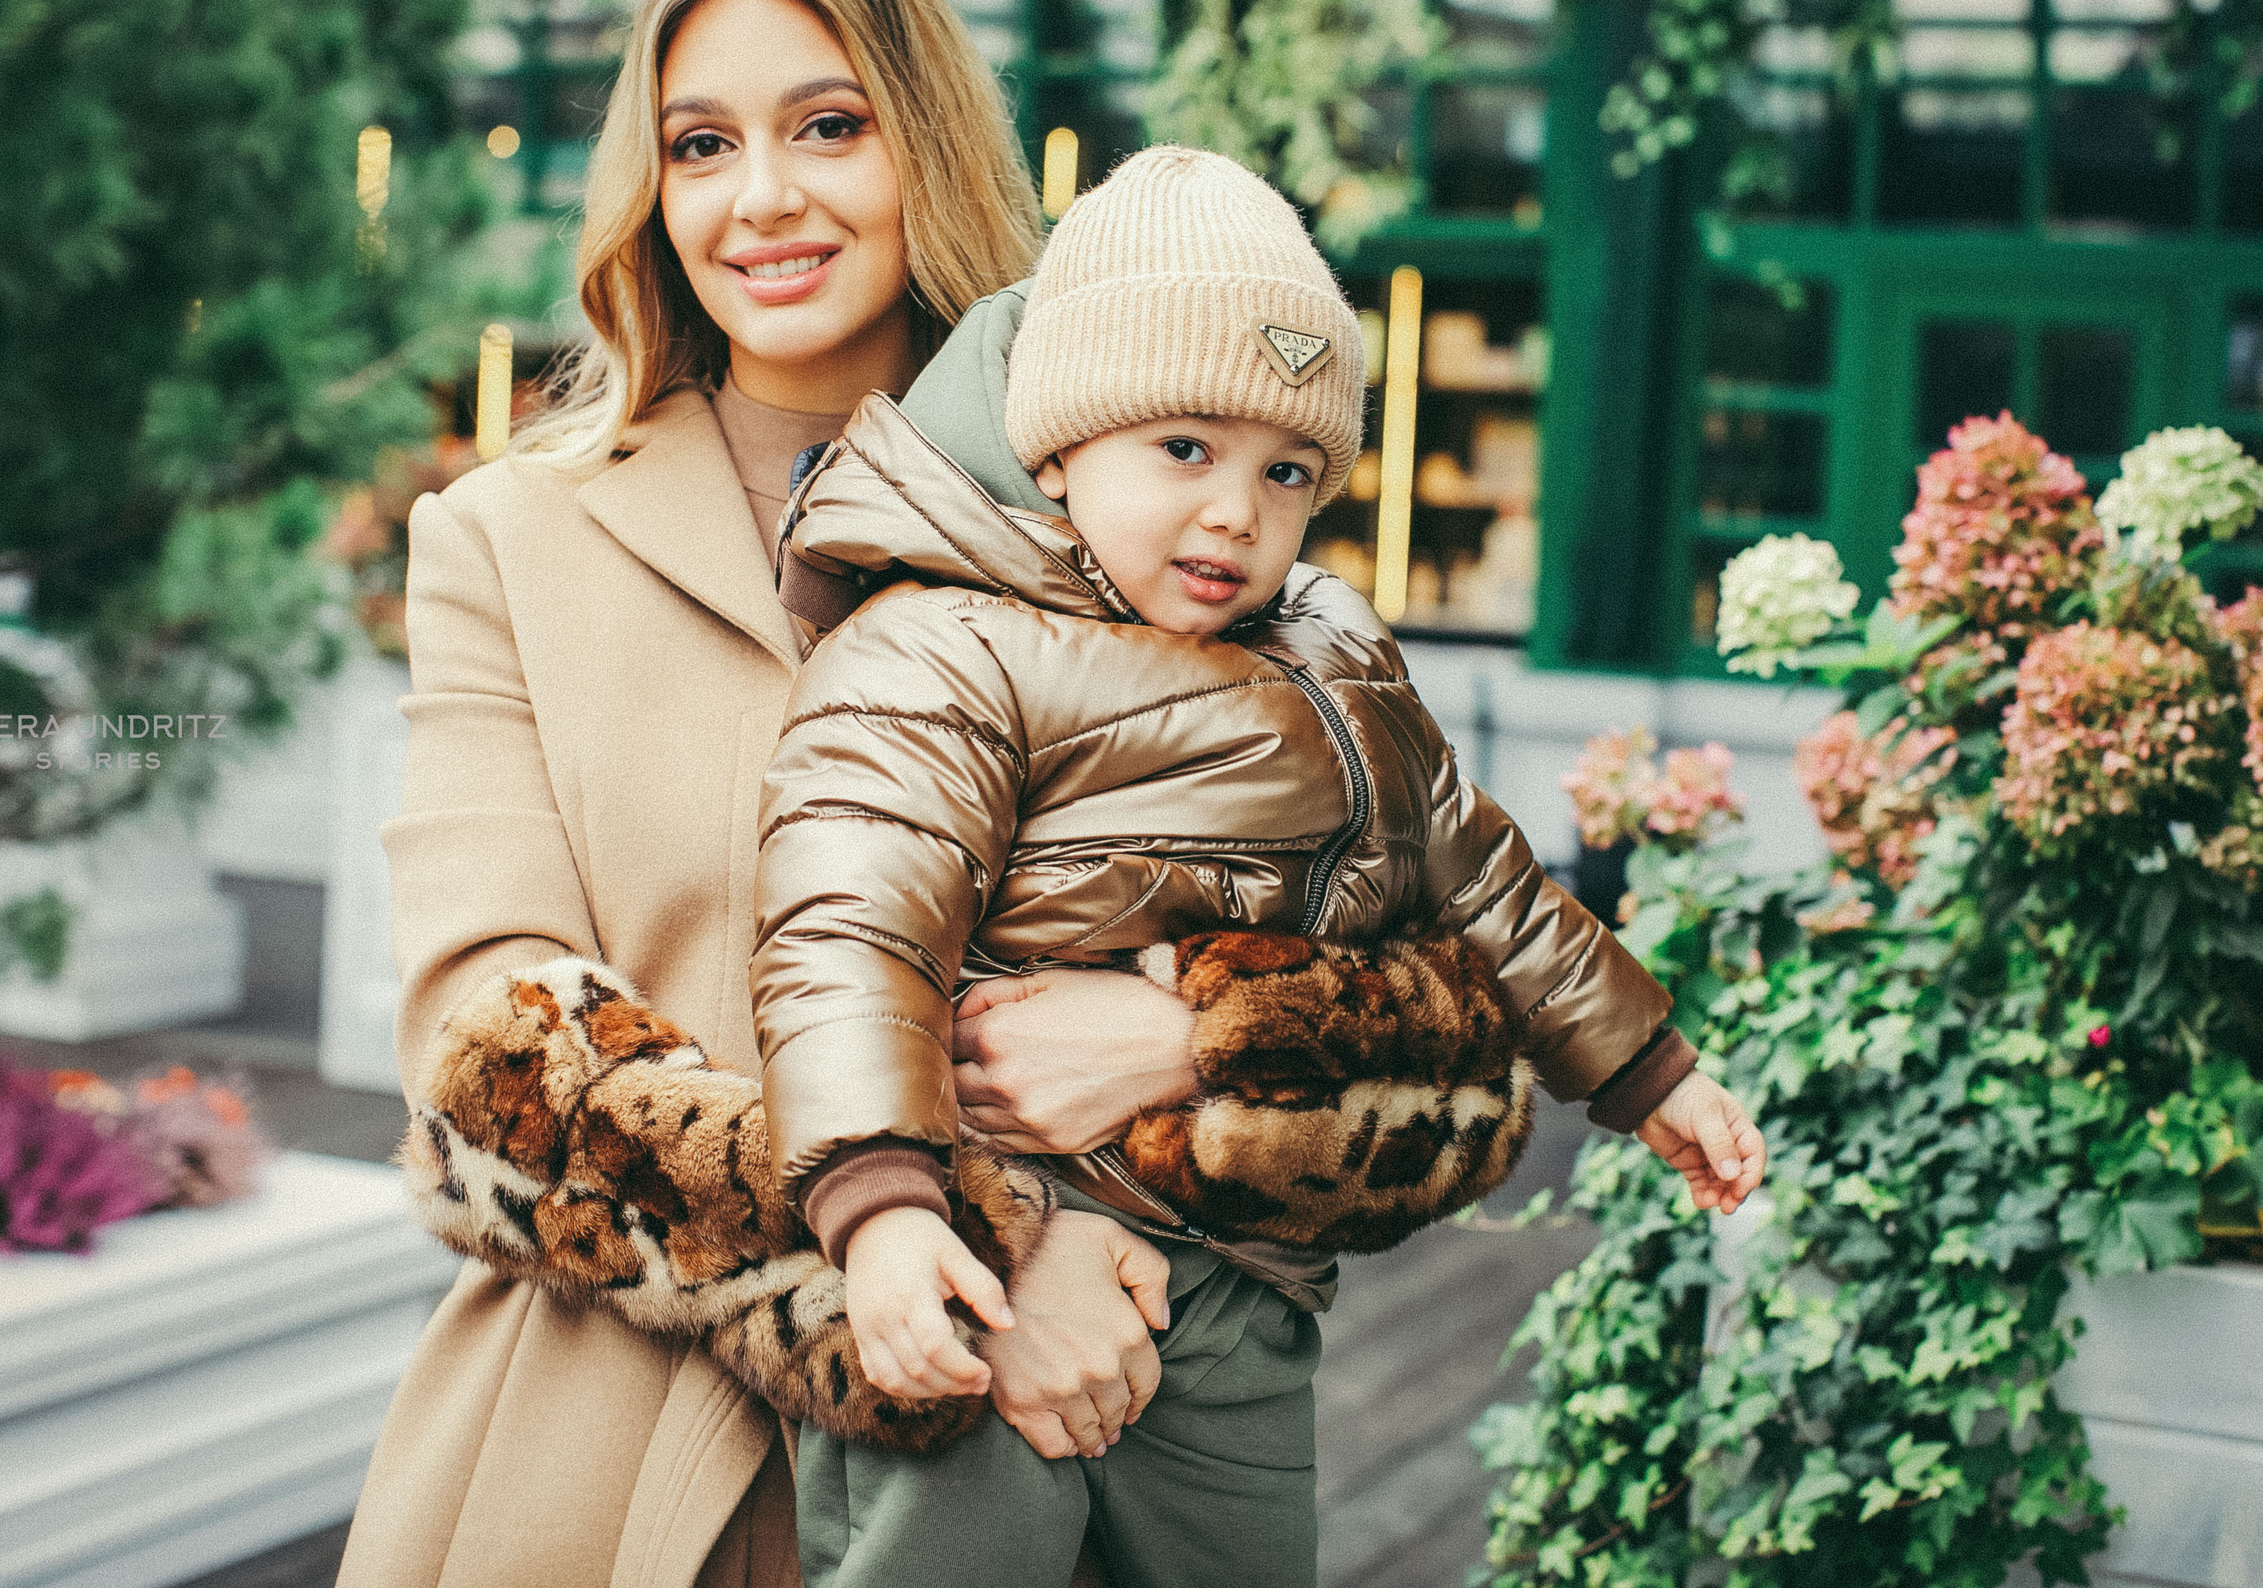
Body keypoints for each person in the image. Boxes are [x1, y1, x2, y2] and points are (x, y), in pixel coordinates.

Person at [338, 0, 1621, 1588]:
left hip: (1065, 1471)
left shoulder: (1172, 506)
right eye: (702, 144)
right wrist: (984, 1251)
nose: (761, 196)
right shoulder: (514, 537)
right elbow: (488, 1049)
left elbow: (1462, 1056)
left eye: (829, 125)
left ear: (928, 145)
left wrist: (1191, 1043)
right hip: (621, 1456)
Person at [750, 146, 1766, 1588]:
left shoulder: (1335, 653)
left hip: (1248, 1273)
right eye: (1185, 449)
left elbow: (1488, 882)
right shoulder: (942, 644)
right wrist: (886, 1209)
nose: (1237, 510)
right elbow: (850, 933)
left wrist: (1648, 1071)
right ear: (1060, 448)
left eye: (1286, 470)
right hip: (1008, 1240)